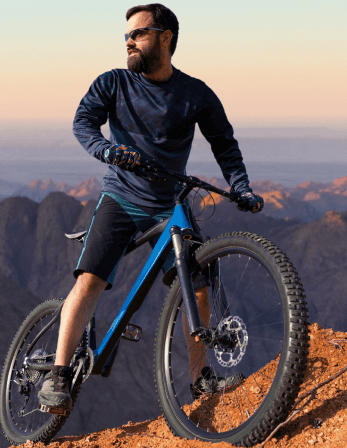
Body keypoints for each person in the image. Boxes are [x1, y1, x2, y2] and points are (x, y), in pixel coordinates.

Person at [36, 3, 266, 416]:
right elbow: (83, 123)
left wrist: (241, 186)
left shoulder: (196, 94)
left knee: (196, 284)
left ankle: (200, 379)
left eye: (138, 33)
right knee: (90, 281)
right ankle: (57, 371)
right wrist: (105, 149)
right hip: (120, 198)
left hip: (170, 205)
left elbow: (224, 145)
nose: (129, 40)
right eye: (126, 34)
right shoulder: (113, 83)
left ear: (166, 37)